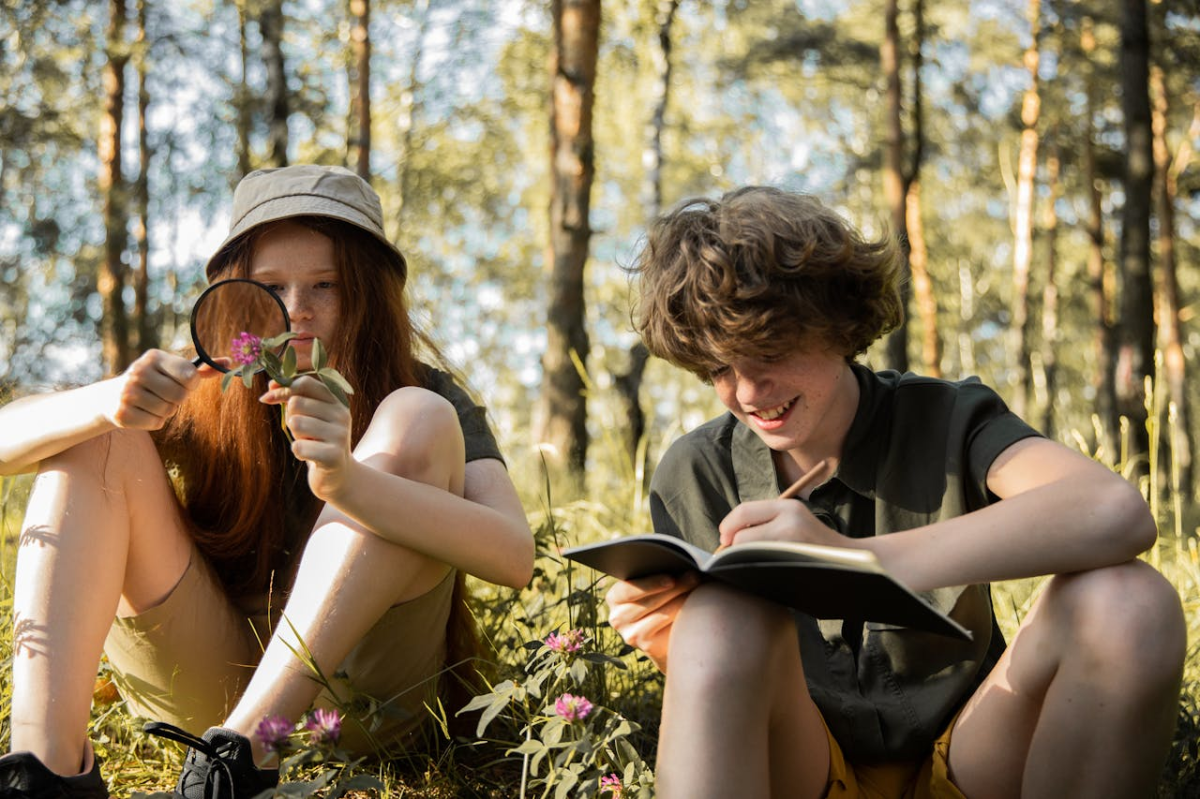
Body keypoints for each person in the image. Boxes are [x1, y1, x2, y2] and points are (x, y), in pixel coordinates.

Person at [605, 186, 1186, 799]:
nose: (748, 393)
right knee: (718, 619)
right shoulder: (696, 472)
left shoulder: (945, 417)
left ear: (836, 322)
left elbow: (1114, 511)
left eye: (768, 351)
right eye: (721, 368)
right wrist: (676, 643)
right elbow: (729, 699)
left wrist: (851, 560)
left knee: (1128, 600)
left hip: (974, 758)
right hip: (804, 770)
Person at [0, 165, 534, 798]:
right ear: (236, 293)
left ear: (368, 291)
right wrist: (106, 402)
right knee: (98, 434)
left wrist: (348, 480)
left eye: (326, 285)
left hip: (364, 697)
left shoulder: (421, 390)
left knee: (417, 417)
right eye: (273, 285)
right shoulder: (204, 385)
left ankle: (242, 763)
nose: (299, 310)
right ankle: (40, 773)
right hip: (211, 680)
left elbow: (513, 555)